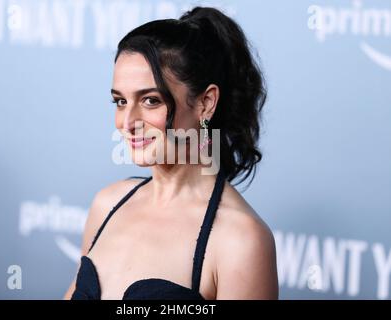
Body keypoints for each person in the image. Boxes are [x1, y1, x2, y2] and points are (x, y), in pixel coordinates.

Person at [64, 6, 278, 300]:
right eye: (120, 101)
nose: (127, 123)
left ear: (205, 103)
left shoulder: (241, 240)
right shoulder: (107, 204)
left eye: (150, 100)